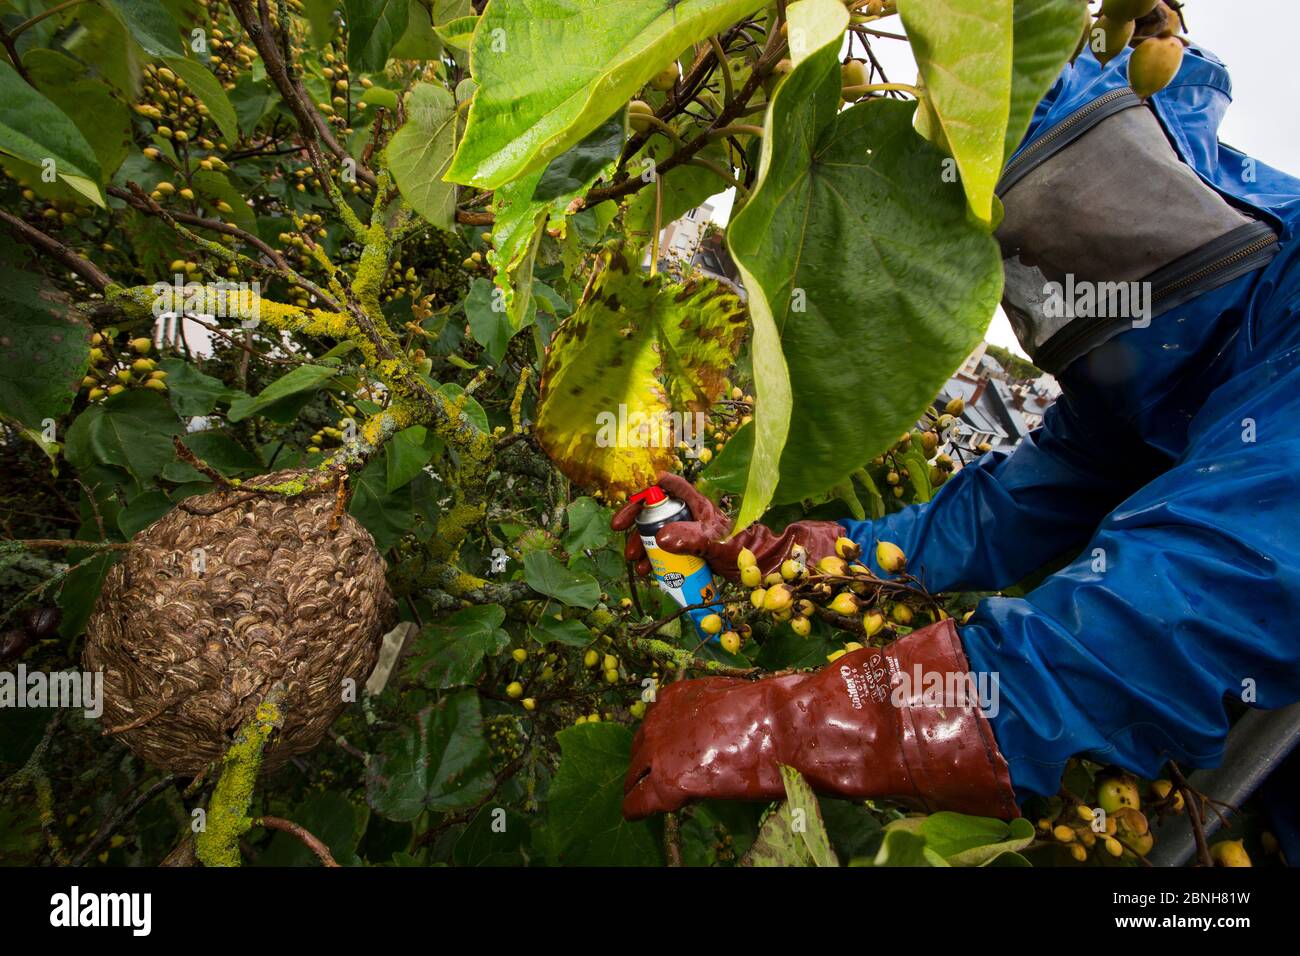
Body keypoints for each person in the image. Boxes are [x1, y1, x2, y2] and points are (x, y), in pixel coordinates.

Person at [611, 40, 1300, 822]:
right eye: (1025, 255)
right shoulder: (1128, 400)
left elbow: (1188, 602)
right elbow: (970, 525)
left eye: (1083, 215)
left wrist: (792, 725)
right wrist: (756, 551)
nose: (1061, 277)